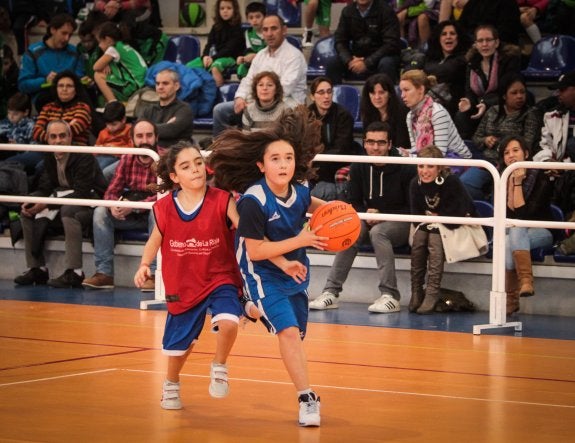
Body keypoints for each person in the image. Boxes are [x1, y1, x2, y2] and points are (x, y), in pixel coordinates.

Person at [209, 106, 326, 427]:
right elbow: (256, 250)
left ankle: (249, 309)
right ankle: (307, 398)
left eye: (288, 158)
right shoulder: (253, 201)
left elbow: (314, 206)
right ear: (261, 165)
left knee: (295, 334)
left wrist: (339, 213)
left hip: (294, 271)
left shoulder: (299, 192)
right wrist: (300, 242)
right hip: (259, 272)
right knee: (288, 332)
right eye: (275, 159)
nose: (283, 164)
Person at [133, 141, 258, 409]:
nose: (195, 169)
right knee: (181, 347)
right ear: (175, 177)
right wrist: (144, 264)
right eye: (186, 166)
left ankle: (219, 365)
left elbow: (246, 230)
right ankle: (171, 383)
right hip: (184, 283)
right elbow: (154, 240)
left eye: (199, 163)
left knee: (229, 322)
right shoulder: (165, 208)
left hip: (220, 277)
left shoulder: (222, 199)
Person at [310, 121, 416, 312]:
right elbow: (353, 200)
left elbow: (412, 207)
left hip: (401, 221)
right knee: (351, 231)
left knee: (379, 232)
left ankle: (390, 295)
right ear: (365, 143)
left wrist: (383, 215)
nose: (375, 147)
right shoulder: (359, 165)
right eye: (371, 142)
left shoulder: (405, 167)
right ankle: (331, 292)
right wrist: (365, 214)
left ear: (390, 144)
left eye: (381, 143)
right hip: (369, 218)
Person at [13, 120, 107, 288]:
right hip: (60, 201)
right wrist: (33, 200)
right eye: (53, 137)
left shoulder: (83, 155)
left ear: (70, 137)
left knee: (68, 210)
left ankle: (75, 272)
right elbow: (45, 188)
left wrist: (47, 204)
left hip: (90, 204)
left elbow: (82, 192)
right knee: (27, 211)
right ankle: (37, 268)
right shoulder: (49, 156)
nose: (58, 141)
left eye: (62, 136)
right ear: (47, 139)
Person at [82, 119, 158, 291]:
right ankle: (104, 274)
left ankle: (153, 275)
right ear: (132, 140)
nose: (144, 140)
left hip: (153, 215)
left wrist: (135, 206)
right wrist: (113, 206)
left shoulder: (164, 159)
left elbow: (165, 196)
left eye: (149, 135)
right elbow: (111, 191)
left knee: (157, 211)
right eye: (140, 136)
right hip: (130, 215)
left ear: (156, 137)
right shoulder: (127, 158)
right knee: (101, 212)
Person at [211, 14, 307, 136]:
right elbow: (248, 80)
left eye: (274, 28)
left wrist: (255, 102)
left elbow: (285, 89)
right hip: (259, 102)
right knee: (220, 111)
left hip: (287, 104)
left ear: (284, 30)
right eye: (265, 30)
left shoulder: (294, 56)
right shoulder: (261, 55)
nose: (269, 33)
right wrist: (240, 97)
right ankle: (221, 147)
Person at [409, 145, 476, 314]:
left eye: (430, 166)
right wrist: (434, 218)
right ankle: (416, 290)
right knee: (421, 235)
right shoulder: (415, 183)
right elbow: (416, 217)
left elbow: (457, 216)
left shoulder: (452, 182)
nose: (424, 171)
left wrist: (435, 218)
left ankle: (431, 293)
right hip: (428, 228)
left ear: (439, 168)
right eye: (421, 166)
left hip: (456, 228)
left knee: (434, 235)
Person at [460, 73, 542, 200]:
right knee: (464, 183)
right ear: (504, 95)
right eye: (514, 93)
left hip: (511, 164)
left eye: (522, 92)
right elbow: (476, 138)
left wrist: (503, 145)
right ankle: (484, 205)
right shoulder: (493, 111)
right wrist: (485, 140)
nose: (519, 96)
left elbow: (527, 144)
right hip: (488, 163)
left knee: (500, 195)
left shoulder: (530, 114)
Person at [499, 135, 554, 315]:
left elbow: (524, 216)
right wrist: (512, 182)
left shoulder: (540, 177)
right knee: (510, 240)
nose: (511, 155)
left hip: (543, 232)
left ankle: (516, 293)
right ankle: (523, 286)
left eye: (515, 150)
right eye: (506, 153)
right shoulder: (501, 179)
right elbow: (505, 217)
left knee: (515, 232)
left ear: (526, 154)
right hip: (516, 234)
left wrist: (518, 183)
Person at [455, 25, 522, 139]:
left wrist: (486, 103)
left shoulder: (508, 59)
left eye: (488, 40)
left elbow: (507, 89)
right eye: (480, 41)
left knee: (492, 112)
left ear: (496, 43)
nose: (484, 44)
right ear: (476, 44)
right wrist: (468, 101)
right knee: (461, 115)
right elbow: (469, 90)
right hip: (480, 102)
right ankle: (465, 146)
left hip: (502, 102)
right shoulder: (472, 62)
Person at [17, 13, 85, 111]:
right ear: (53, 30)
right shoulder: (33, 52)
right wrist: (45, 80)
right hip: (45, 95)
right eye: (64, 33)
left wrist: (84, 80)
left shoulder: (75, 52)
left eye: (70, 35)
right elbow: (23, 85)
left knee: (86, 93)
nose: (67, 39)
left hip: (70, 94)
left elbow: (79, 77)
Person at [400, 69, 472, 159]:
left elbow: (439, 154)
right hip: (430, 160)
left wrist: (410, 156)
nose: (402, 95)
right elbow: (416, 149)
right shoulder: (410, 116)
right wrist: (403, 152)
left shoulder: (438, 112)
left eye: (406, 90)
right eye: (401, 91)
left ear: (421, 89)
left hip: (459, 160)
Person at [327, 0, 402, 84]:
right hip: (356, 57)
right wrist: (349, 60)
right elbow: (340, 41)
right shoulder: (347, 11)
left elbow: (391, 44)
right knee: (333, 63)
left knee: (386, 63)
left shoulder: (386, 11)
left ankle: (387, 91)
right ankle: (334, 92)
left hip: (381, 57)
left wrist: (367, 63)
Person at [307, 76, 355, 201]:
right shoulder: (306, 115)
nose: (326, 96)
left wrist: (315, 160)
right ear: (312, 96)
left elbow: (342, 148)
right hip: (314, 163)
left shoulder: (343, 115)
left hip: (336, 163)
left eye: (329, 92)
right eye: (321, 92)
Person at [186, 0, 244, 87]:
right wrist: (205, 56)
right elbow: (209, 44)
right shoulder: (215, 27)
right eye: (222, 8)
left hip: (230, 58)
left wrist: (213, 58)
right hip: (213, 57)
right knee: (188, 66)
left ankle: (217, 92)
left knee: (215, 67)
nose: (225, 11)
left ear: (235, 10)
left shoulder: (237, 29)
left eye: (229, 8)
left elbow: (229, 49)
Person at [138, 68, 194, 151]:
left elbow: (171, 130)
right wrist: (165, 126)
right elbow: (138, 130)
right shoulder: (148, 109)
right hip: (150, 154)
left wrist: (148, 128)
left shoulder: (185, 109)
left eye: (165, 83)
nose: (160, 87)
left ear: (176, 86)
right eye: (157, 83)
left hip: (175, 156)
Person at [423, 20, 470, 117]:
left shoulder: (463, 57)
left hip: (451, 105)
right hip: (428, 102)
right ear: (438, 38)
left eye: (452, 33)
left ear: (458, 38)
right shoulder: (431, 58)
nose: (448, 37)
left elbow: (449, 70)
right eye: (444, 34)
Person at [33, 70, 93, 146]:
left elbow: (72, 130)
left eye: (69, 86)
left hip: (75, 150)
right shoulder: (47, 107)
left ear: (76, 90)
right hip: (49, 150)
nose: (64, 89)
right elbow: (36, 131)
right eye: (61, 86)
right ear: (56, 89)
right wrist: (57, 136)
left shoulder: (83, 108)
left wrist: (49, 133)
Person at [93, 20, 147, 104]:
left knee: (98, 75)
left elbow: (96, 67)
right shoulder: (123, 45)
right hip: (142, 83)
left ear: (108, 39)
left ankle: (113, 104)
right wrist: (107, 63)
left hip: (133, 86)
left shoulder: (113, 49)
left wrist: (105, 62)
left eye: (100, 42)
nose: (99, 46)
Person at [533, 71, 575, 164]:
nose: (558, 93)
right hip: (559, 169)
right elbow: (543, 145)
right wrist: (548, 161)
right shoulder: (550, 116)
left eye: (562, 90)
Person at [360, 73, 410, 150]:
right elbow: (366, 143)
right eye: (373, 93)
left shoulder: (402, 111)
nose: (377, 97)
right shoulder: (367, 112)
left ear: (390, 94)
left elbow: (402, 145)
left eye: (381, 92)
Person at [94, 101, 133, 181]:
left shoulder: (130, 130)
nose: (110, 127)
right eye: (107, 124)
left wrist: (114, 149)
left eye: (114, 124)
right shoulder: (103, 132)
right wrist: (99, 149)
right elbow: (95, 150)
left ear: (123, 120)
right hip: (102, 157)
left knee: (102, 170)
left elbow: (132, 149)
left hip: (121, 158)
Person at [457, 0, 522, 45]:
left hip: (497, 47)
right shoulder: (474, 2)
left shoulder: (508, 3)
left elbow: (507, 32)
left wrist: (480, 42)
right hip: (472, 43)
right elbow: (460, 25)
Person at [236, 1, 266, 79]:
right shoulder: (248, 33)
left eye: (258, 17)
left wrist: (256, 56)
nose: (254, 20)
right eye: (251, 18)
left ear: (265, 17)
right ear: (247, 19)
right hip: (252, 62)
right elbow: (248, 50)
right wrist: (243, 58)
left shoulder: (268, 32)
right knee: (241, 68)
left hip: (266, 61)